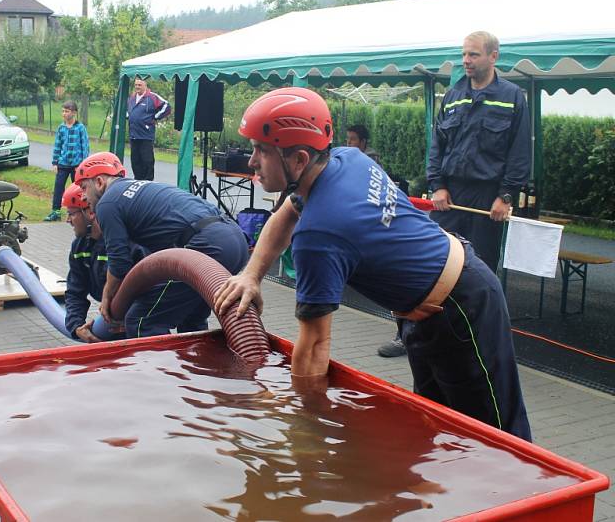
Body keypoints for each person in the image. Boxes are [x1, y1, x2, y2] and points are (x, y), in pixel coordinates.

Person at [213, 87, 531, 441]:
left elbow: (315, 346)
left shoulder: (319, 235)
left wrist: (302, 429)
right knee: (437, 436)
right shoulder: (344, 160)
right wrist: (251, 275)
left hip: (464, 308)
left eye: (261, 150)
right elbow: (287, 213)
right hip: (429, 312)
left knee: (499, 441)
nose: (251, 161)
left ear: (300, 160)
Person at [76, 151, 249, 339]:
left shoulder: (107, 203)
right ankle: (195, 367)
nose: (83, 197)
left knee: (142, 320)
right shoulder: (137, 189)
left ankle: (158, 368)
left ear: (99, 182)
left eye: (84, 188)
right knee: (191, 320)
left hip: (207, 245)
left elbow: (119, 262)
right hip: (233, 239)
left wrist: (107, 298)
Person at [427, 31, 531, 273]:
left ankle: (477, 312)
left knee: (479, 270)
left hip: (487, 199)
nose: (466, 60)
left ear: (493, 56)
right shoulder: (453, 95)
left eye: (473, 54)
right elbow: (436, 145)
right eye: (464, 54)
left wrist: (506, 196)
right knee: (438, 264)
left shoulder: (511, 96)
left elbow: (520, 151)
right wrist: (437, 185)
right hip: (449, 197)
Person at [347, 124, 406, 358]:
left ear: (363, 142)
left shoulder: (371, 165)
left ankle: (404, 337)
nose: (349, 144)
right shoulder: (350, 162)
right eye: (348, 139)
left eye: (353, 140)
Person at [62, 183, 148, 341]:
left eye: (71, 214)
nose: (68, 220)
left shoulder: (128, 246)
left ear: (89, 212)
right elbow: (75, 292)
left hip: (140, 324)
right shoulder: (80, 247)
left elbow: (149, 294)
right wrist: (76, 327)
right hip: (112, 321)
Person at [44, 100, 90, 222]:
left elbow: (85, 147)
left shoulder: (80, 128)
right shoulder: (61, 128)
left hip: (76, 165)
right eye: (63, 111)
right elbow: (57, 145)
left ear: (74, 112)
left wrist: (82, 165)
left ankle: (81, 211)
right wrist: (55, 162)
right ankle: (56, 211)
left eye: (67, 111)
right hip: (63, 163)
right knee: (59, 187)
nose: (64, 113)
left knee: (78, 189)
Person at [126, 77, 170, 181]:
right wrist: (129, 116)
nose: (137, 87)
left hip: (146, 135)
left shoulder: (152, 97)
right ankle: (138, 181)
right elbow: (128, 110)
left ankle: (148, 183)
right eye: (136, 85)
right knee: (135, 161)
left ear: (145, 85)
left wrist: (155, 117)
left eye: (139, 85)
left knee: (147, 160)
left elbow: (167, 106)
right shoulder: (132, 97)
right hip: (134, 134)